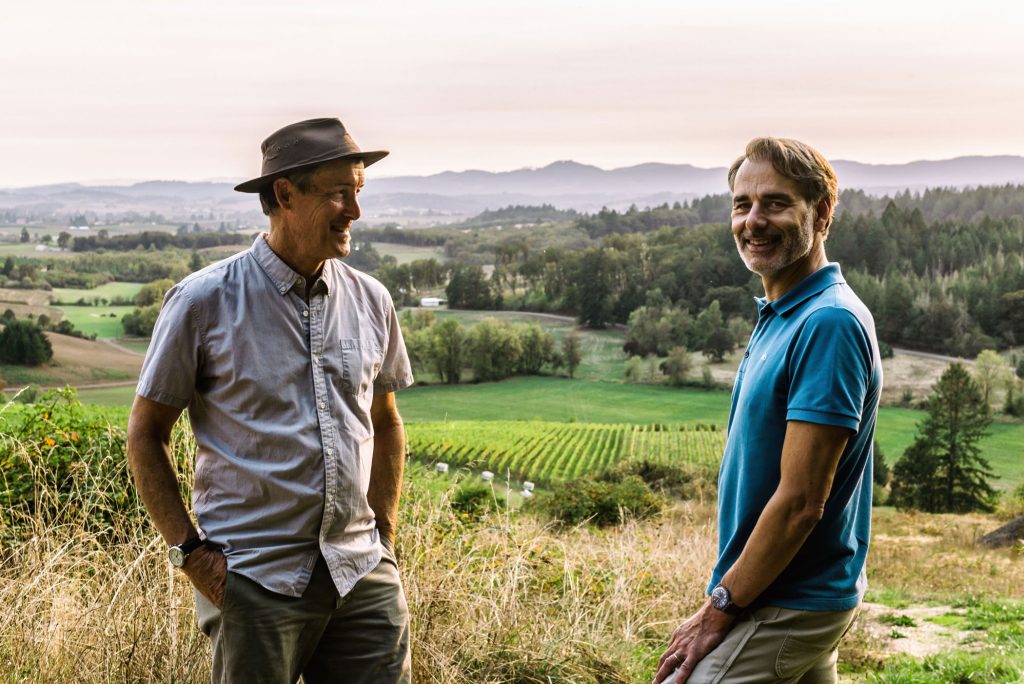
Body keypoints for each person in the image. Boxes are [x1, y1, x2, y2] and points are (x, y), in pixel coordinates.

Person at [127, 117, 414, 684]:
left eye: (358, 192)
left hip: (361, 574)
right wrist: (191, 554)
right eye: (338, 193)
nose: (354, 211)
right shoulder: (202, 303)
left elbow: (386, 422)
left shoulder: (372, 300)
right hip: (254, 580)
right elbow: (145, 434)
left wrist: (384, 536)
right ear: (284, 194)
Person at [654, 137, 882, 684]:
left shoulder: (827, 323)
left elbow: (802, 502)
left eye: (775, 203)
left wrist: (719, 609)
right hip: (789, 589)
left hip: (786, 602)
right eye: (742, 204)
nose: (753, 221)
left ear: (821, 213)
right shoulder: (783, 313)